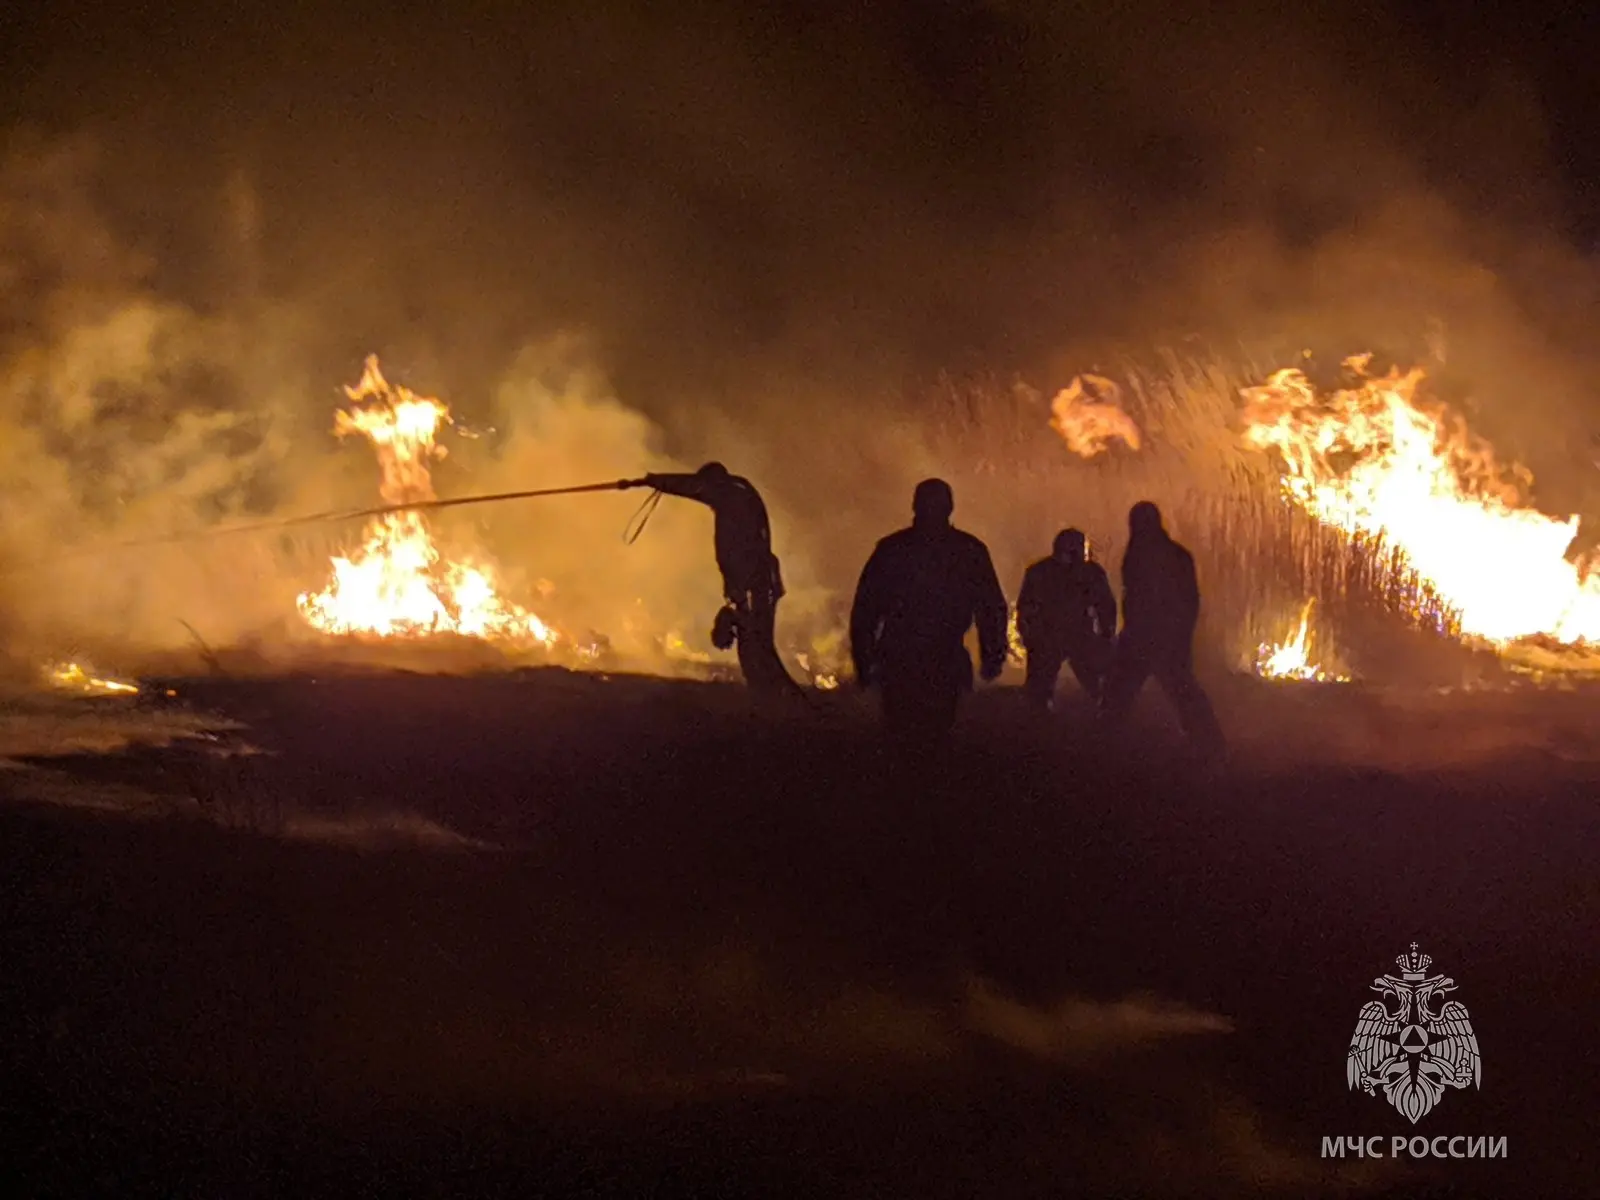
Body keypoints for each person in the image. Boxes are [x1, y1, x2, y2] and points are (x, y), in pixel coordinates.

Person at [849, 478, 1009, 745]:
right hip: (927, 657)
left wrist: (864, 659)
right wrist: (992, 654)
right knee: (931, 736)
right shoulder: (967, 550)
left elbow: (866, 610)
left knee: (907, 737)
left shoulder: (893, 549)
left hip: (911, 658)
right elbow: (990, 607)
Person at [621, 463, 801, 696]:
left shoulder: (732, 495)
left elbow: (692, 487)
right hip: (757, 580)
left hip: (755, 582)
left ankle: (774, 694)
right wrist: (650, 481)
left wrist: (651, 481)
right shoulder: (739, 491)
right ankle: (769, 692)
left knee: (756, 642)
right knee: (755, 640)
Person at [1099, 501, 1223, 751]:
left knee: (1128, 689)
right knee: (1178, 689)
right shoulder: (1169, 553)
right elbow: (1188, 601)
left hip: (1151, 636)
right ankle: (1209, 742)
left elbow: (1178, 599)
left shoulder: (1143, 553)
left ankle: (1104, 740)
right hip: (1156, 636)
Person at [1016, 528, 1117, 710]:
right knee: (1040, 690)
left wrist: (1106, 634)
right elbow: (1106, 606)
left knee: (1098, 685)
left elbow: (1105, 606)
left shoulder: (1041, 572)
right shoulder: (1088, 572)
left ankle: (1105, 713)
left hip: (1070, 635)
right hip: (1054, 635)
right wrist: (1106, 634)